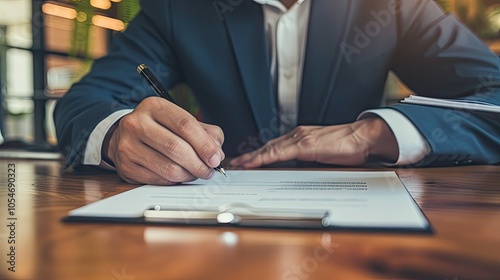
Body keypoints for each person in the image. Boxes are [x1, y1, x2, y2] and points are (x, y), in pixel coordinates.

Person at [54, 0, 500, 185]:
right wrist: (116, 135)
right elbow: (87, 101)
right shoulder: (178, 9)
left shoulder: (394, 6)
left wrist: (376, 135)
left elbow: (494, 95)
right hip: (221, 222)